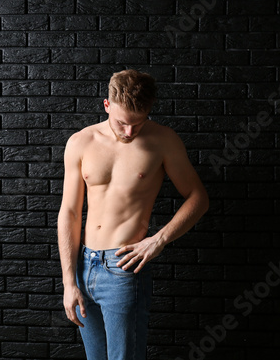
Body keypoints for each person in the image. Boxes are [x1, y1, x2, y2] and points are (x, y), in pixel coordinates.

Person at [57, 69, 210, 360]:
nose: (129, 132)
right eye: (122, 123)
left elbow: (199, 197)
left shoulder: (163, 141)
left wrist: (159, 239)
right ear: (107, 105)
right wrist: (68, 282)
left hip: (123, 269)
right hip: (83, 265)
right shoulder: (80, 142)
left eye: (138, 123)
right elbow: (70, 212)